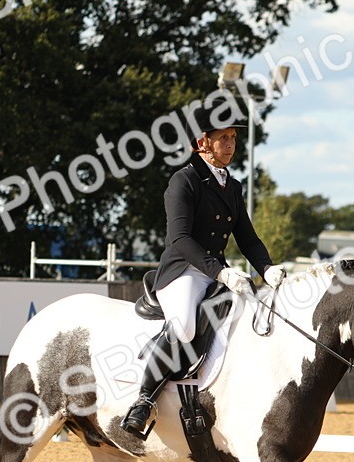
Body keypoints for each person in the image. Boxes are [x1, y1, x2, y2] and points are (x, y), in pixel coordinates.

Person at [120, 103, 287, 437]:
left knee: (253, 316)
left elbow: (248, 239)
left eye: (233, 138)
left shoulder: (233, 186)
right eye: (222, 138)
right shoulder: (184, 181)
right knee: (183, 326)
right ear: (202, 142)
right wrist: (220, 272)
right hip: (182, 272)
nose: (230, 144)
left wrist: (266, 268)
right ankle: (143, 400)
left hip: (215, 271)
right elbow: (178, 238)